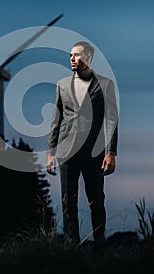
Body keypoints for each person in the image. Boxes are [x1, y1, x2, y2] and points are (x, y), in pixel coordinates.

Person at [46, 41, 118, 245]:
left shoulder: (105, 85)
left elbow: (111, 119)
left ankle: (99, 244)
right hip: (66, 150)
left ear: (89, 58)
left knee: (96, 199)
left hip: (94, 151)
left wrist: (111, 152)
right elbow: (56, 118)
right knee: (68, 200)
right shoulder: (61, 84)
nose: (72, 59)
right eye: (70, 55)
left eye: (76, 55)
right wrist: (50, 151)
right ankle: (71, 246)